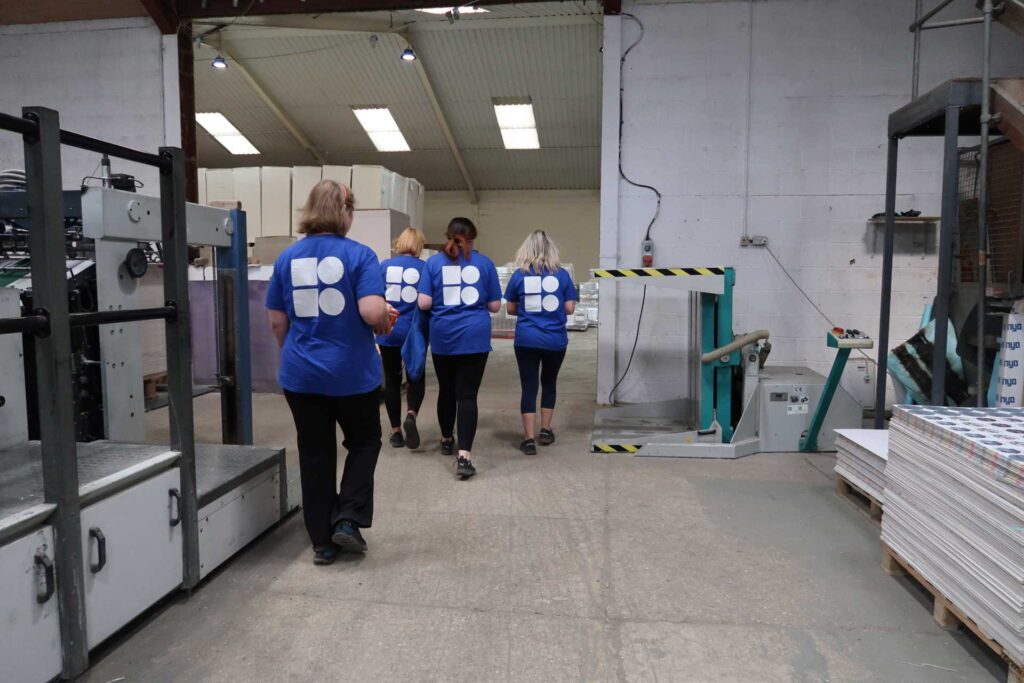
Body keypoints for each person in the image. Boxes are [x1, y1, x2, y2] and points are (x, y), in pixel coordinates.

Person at [265, 179, 396, 565]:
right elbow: (372, 313)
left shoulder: (287, 258)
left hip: (302, 375)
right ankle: (349, 517)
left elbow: (276, 321)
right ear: (346, 211)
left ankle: (321, 541)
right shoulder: (360, 255)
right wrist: (383, 319)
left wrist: (294, 354)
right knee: (364, 441)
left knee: (315, 452)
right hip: (351, 374)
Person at [417, 217, 501, 480]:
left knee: (446, 389)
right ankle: (464, 456)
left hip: (443, 335)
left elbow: (423, 303)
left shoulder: (432, 263)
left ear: (447, 235)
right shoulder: (485, 263)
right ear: (472, 238)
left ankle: (445, 439)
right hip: (475, 336)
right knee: (467, 396)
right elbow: (495, 306)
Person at [504, 230, 578, 455]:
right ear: (551, 250)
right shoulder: (562, 276)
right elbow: (569, 308)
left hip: (526, 338)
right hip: (555, 340)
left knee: (529, 386)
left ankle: (528, 439)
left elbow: (510, 308)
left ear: (526, 250)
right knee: (549, 382)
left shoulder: (518, 275)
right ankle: (545, 430)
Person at [377, 228, 427, 449]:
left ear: (399, 243)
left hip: (390, 328)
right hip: (414, 330)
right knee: (416, 376)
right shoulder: (426, 268)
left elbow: (376, 296)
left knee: (391, 379)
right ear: (419, 245)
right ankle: (411, 415)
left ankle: (396, 431)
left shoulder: (385, 266)